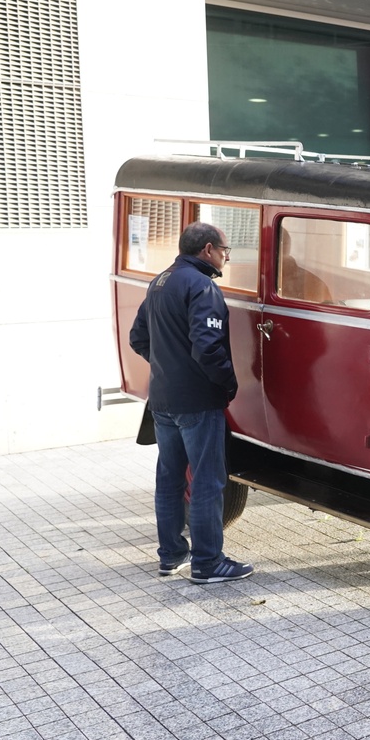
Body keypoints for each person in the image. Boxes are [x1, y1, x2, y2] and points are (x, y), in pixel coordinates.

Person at [129, 222, 254, 585]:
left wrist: (169, 366)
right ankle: (208, 563)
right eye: (225, 250)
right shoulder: (202, 287)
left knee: (169, 478)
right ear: (208, 249)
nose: (227, 257)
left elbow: (139, 337)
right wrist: (228, 383)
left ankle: (171, 556)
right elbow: (208, 347)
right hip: (197, 402)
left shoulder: (160, 281)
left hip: (163, 399)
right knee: (207, 481)